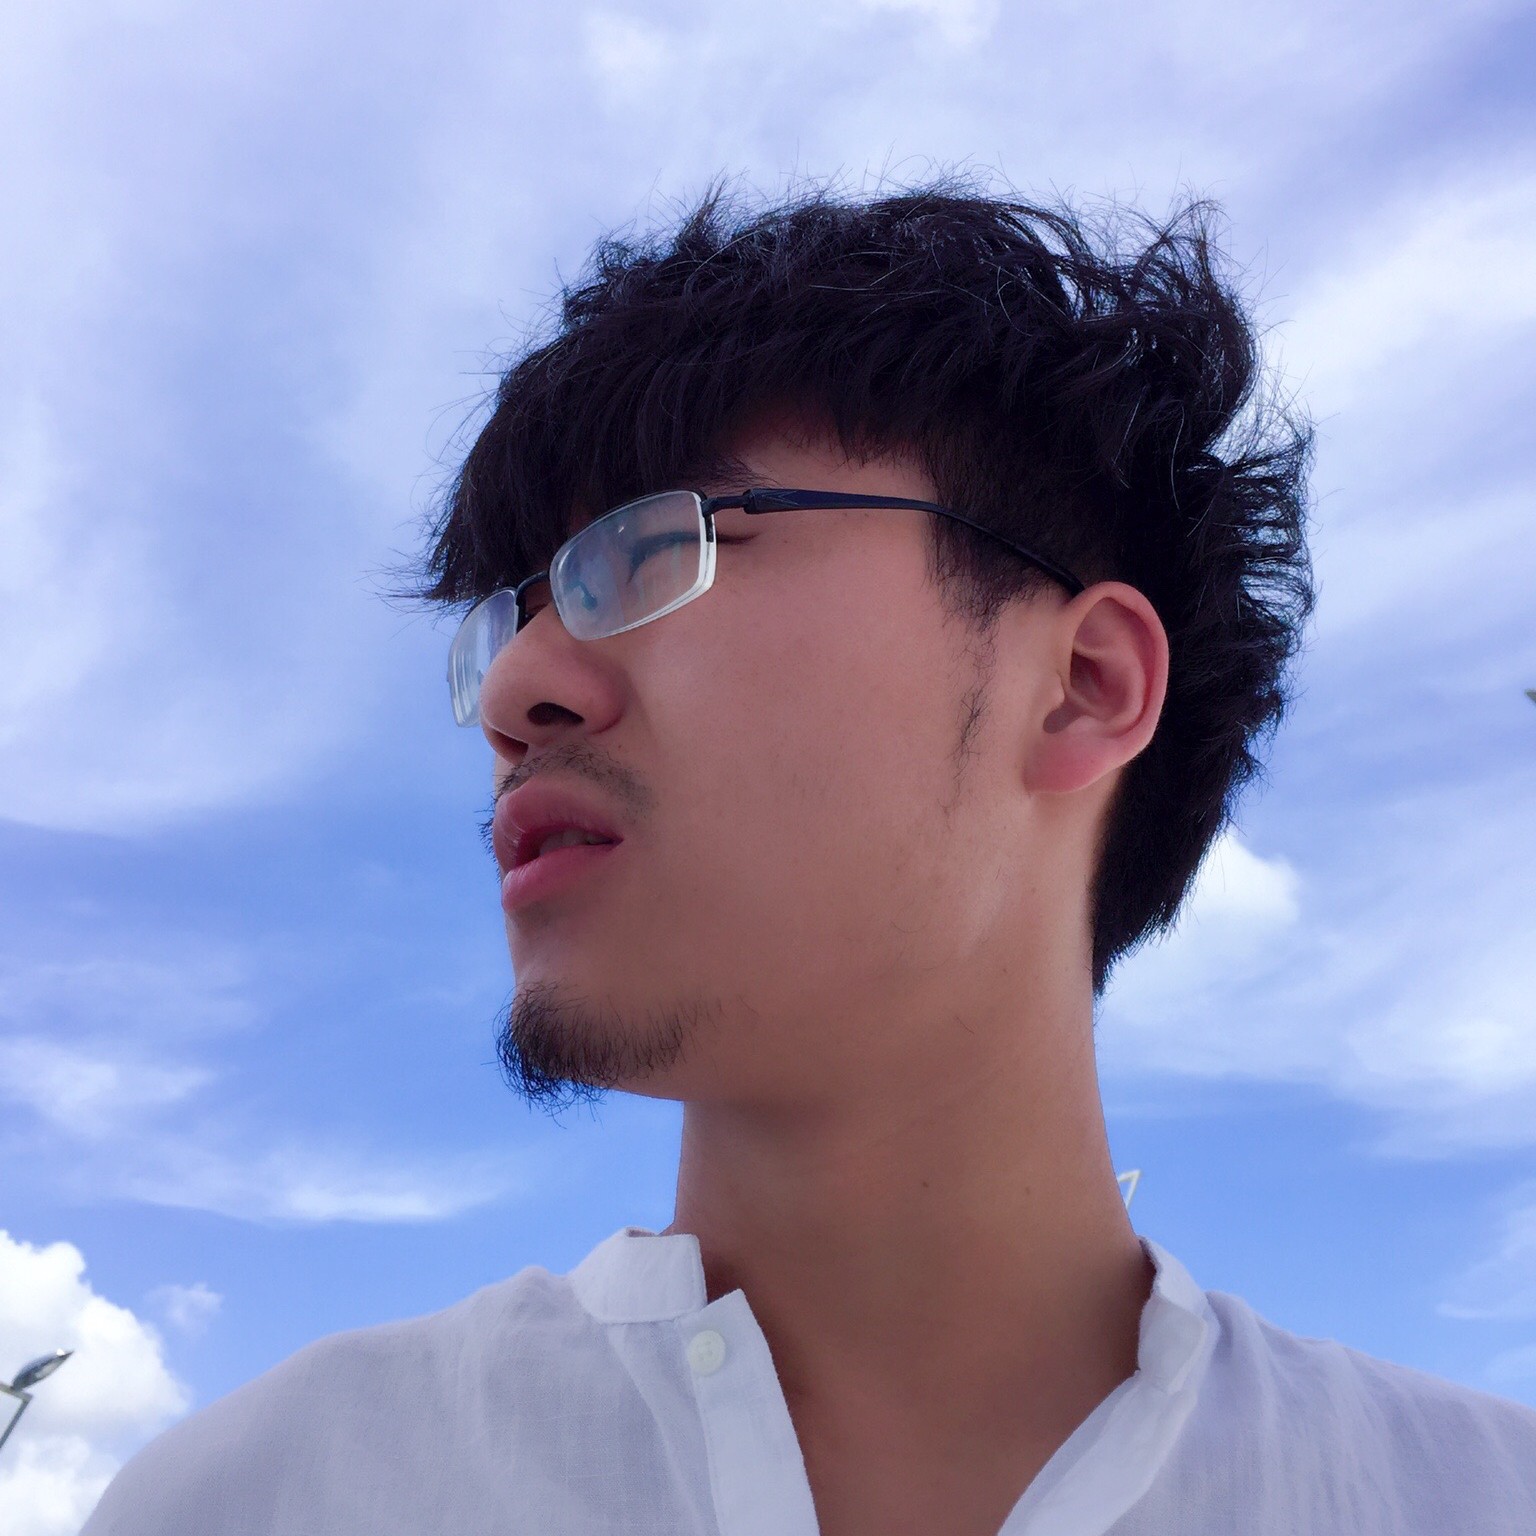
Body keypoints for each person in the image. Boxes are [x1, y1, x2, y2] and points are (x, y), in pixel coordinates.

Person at [82, 180, 1536, 1536]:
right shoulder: (270, 1495)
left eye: (652, 549)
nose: (516, 689)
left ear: (1085, 685)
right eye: (506, 619)